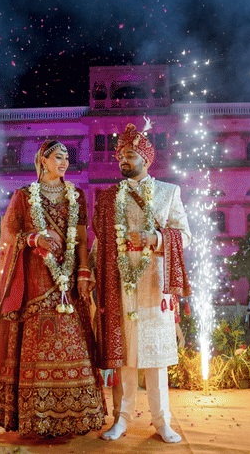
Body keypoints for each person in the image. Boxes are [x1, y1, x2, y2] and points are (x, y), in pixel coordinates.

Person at [0, 139, 106, 437]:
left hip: (68, 283)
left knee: (73, 340)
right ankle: (35, 417)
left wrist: (84, 271)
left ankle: (72, 416)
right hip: (34, 280)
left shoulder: (77, 196)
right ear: (43, 160)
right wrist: (35, 240)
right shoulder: (23, 197)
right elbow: (10, 236)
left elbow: (83, 237)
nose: (64, 163)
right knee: (35, 343)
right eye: (58, 157)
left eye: (67, 158)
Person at [93, 122, 191, 444]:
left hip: (154, 286)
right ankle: (122, 418)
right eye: (120, 155)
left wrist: (155, 238)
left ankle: (162, 420)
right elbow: (98, 241)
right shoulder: (108, 198)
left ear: (146, 160)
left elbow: (185, 237)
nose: (123, 160)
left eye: (130, 155)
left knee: (156, 357)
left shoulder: (168, 192)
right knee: (126, 357)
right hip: (119, 285)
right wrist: (88, 275)